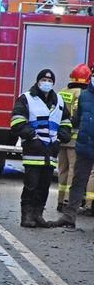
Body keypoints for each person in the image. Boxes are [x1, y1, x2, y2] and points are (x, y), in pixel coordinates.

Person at [10, 69, 71, 228]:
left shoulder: (58, 101)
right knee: (31, 185)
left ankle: (38, 215)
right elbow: (17, 121)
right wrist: (31, 137)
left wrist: (60, 138)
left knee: (44, 186)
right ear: (38, 81)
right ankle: (27, 216)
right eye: (44, 79)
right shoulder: (26, 98)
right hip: (33, 151)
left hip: (50, 152)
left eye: (50, 80)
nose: (47, 82)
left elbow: (66, 122)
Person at [52, 70, 94, 227]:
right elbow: (77, 118)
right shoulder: (84, 96)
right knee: (78, 180)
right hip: (84, 145)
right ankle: (69, 216)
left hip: (82, 143)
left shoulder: (78, 94)